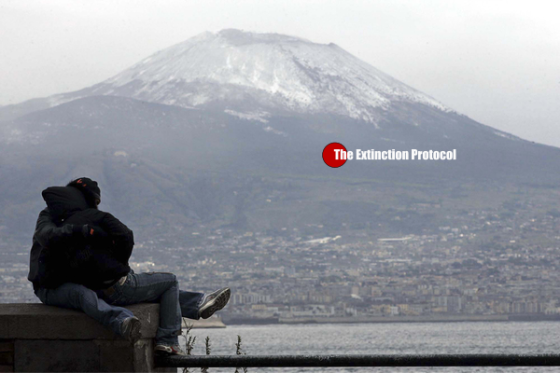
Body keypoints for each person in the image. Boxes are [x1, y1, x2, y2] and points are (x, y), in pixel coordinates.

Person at [28, 177, 230, 356]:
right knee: (166, 282)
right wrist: (82, 231)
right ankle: (159, 332)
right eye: (94, 201)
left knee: (151, 288)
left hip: (84, 281)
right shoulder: (52, 217)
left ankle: (197, 304)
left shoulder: (79, 218)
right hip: (50, 284)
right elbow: (47, 235)